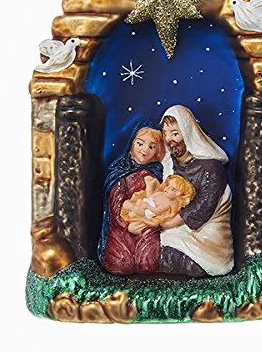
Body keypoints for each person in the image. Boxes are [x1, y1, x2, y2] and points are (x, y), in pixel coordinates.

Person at [159, 105, 234, 277]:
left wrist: (169, 223)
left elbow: (204, 206)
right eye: (165, 133)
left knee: (172, 255)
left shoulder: (211, 167)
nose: (169, 139)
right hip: (175, 225)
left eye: (175, 134)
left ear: (188, 133)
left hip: (206, 235)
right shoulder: (170, 164)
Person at [97, 121, 165, 275]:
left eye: (151, 147)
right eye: (140, 144)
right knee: (121, 263)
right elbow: (115, 203)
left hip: (147, 224)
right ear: (132, 143)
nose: (144, 150)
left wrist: (151, 220)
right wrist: (126, 225)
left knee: (148, 261)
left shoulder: (157, 172)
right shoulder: (120, 171)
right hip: (122, 226)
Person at [121, 174, 196, 227]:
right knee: (139, 201)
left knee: (138, 210)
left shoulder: (168, 203)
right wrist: (145, 199)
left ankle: (132, 208)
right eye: (168, 185)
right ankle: (133, 212)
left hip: (150, 211)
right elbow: (150, 196)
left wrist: (148, 207)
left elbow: (157, 211)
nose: (167, 189)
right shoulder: (160, 193)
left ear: (178, 194)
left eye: (172, 189)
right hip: (148, 204)